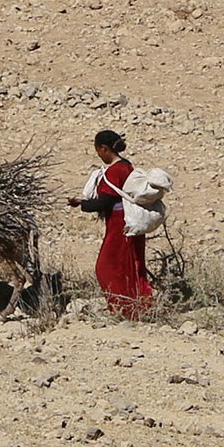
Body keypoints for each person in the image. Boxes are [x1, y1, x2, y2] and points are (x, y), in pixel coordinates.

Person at [67, 130, 152, 319]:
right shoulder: (126, 166)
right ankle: (138, 306)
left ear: (104, 149)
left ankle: (123, 308)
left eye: (98, 150)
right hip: (128, 222)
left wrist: (81, 203)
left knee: (107, 267)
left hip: (119, 224)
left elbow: (103, 202)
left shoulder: (115, 171)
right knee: (131, 264)